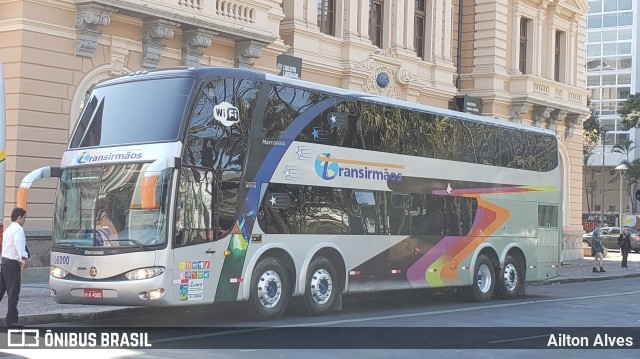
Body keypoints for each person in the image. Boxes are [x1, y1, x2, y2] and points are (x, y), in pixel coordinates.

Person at [0, 208, 30, 327]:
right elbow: (19, 244)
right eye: (24, 218)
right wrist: (23, 258)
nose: (24, 220)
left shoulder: (8, 229)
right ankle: (11, 320)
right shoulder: (18, 229)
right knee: (13, 292)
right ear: (19, 217)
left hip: (5, 262)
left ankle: (11, 318)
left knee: (1, 290)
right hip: (12, 264)